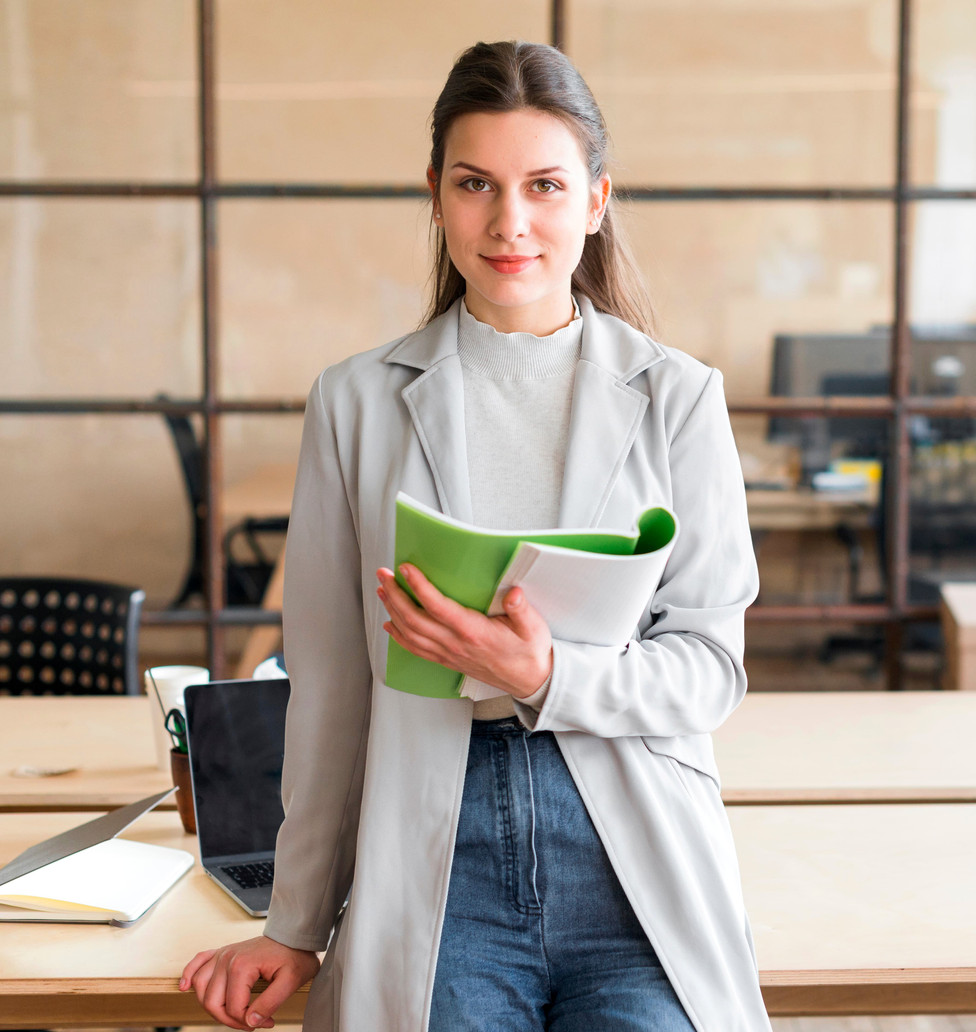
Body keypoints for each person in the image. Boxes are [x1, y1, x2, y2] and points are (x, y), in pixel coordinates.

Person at [180, 39, 770, 1032]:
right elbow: (329, 689)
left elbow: (709, 668)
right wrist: (293, 927)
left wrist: (547, 676)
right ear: (436, 194)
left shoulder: (678, 396)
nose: (509, 223)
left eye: (544, 185)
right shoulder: (354, 402)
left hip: (627, 852)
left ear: (595, 199)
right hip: (437, 853)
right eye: (474, 185)